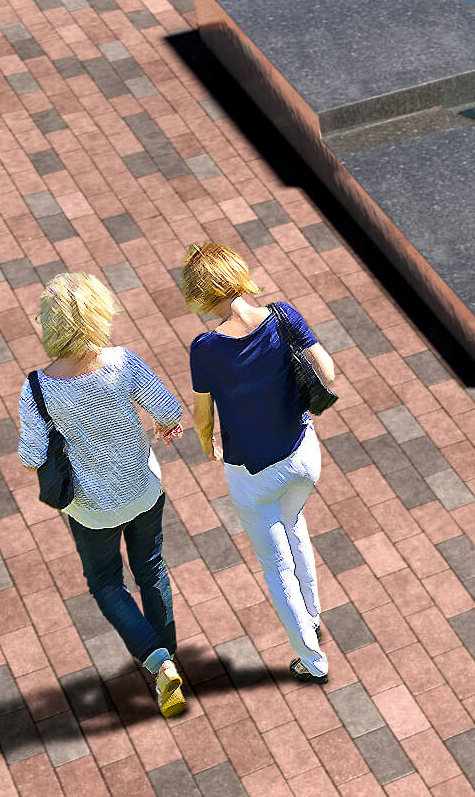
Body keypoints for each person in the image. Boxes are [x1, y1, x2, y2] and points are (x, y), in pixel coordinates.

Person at [16, 274, 189, 717]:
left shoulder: (37, 388)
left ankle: (158, 662)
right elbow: (169, 411)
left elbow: (32, 455)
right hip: (144, 490)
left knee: (107, 583)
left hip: (93, 509)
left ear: (50, 325)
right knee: (151, 570)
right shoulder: (122, 362)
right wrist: (161, 428)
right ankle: (169, 666)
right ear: (98, 315)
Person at [181, 242, 339, 683]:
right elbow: (327, 371)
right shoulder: (284, 316)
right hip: (303, 456)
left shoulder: (206, 347)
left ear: (200, 294)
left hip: (253, 475)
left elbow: (201, 413)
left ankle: (312, 660)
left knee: (276, 566)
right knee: (294, 526)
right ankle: (312, 615)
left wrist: (207, 443)